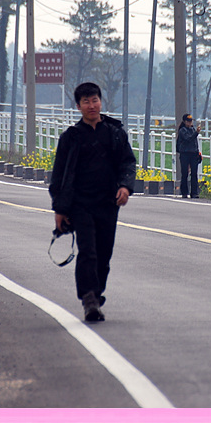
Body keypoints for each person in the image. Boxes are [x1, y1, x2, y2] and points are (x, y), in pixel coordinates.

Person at [49, 82, 137, 322]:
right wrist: (60, 209)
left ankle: (96, 295)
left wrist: (125, 186)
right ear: (78, 106)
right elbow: (59, 176)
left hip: (108, 203)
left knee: (104, 253)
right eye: (86, 101)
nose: (92, 105)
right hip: (80, 204)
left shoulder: (115, 133)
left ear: (101, 101)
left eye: (95, 100)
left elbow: (128, 162)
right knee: (87, 251)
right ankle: (88, 299)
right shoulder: (71, 137)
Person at [177, 113, 201, 198]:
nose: (190, 123)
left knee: (194, 173)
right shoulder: (182, 131)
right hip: (185, 154)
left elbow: (195, 143)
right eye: (188, 121)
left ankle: (194, 192)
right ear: (184, 121)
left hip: (193, 154)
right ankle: (184, 192)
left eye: (191, 121)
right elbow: (188, 139)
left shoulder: (192, 129)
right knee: (185, 173)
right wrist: (196, 133)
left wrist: (198, 153)